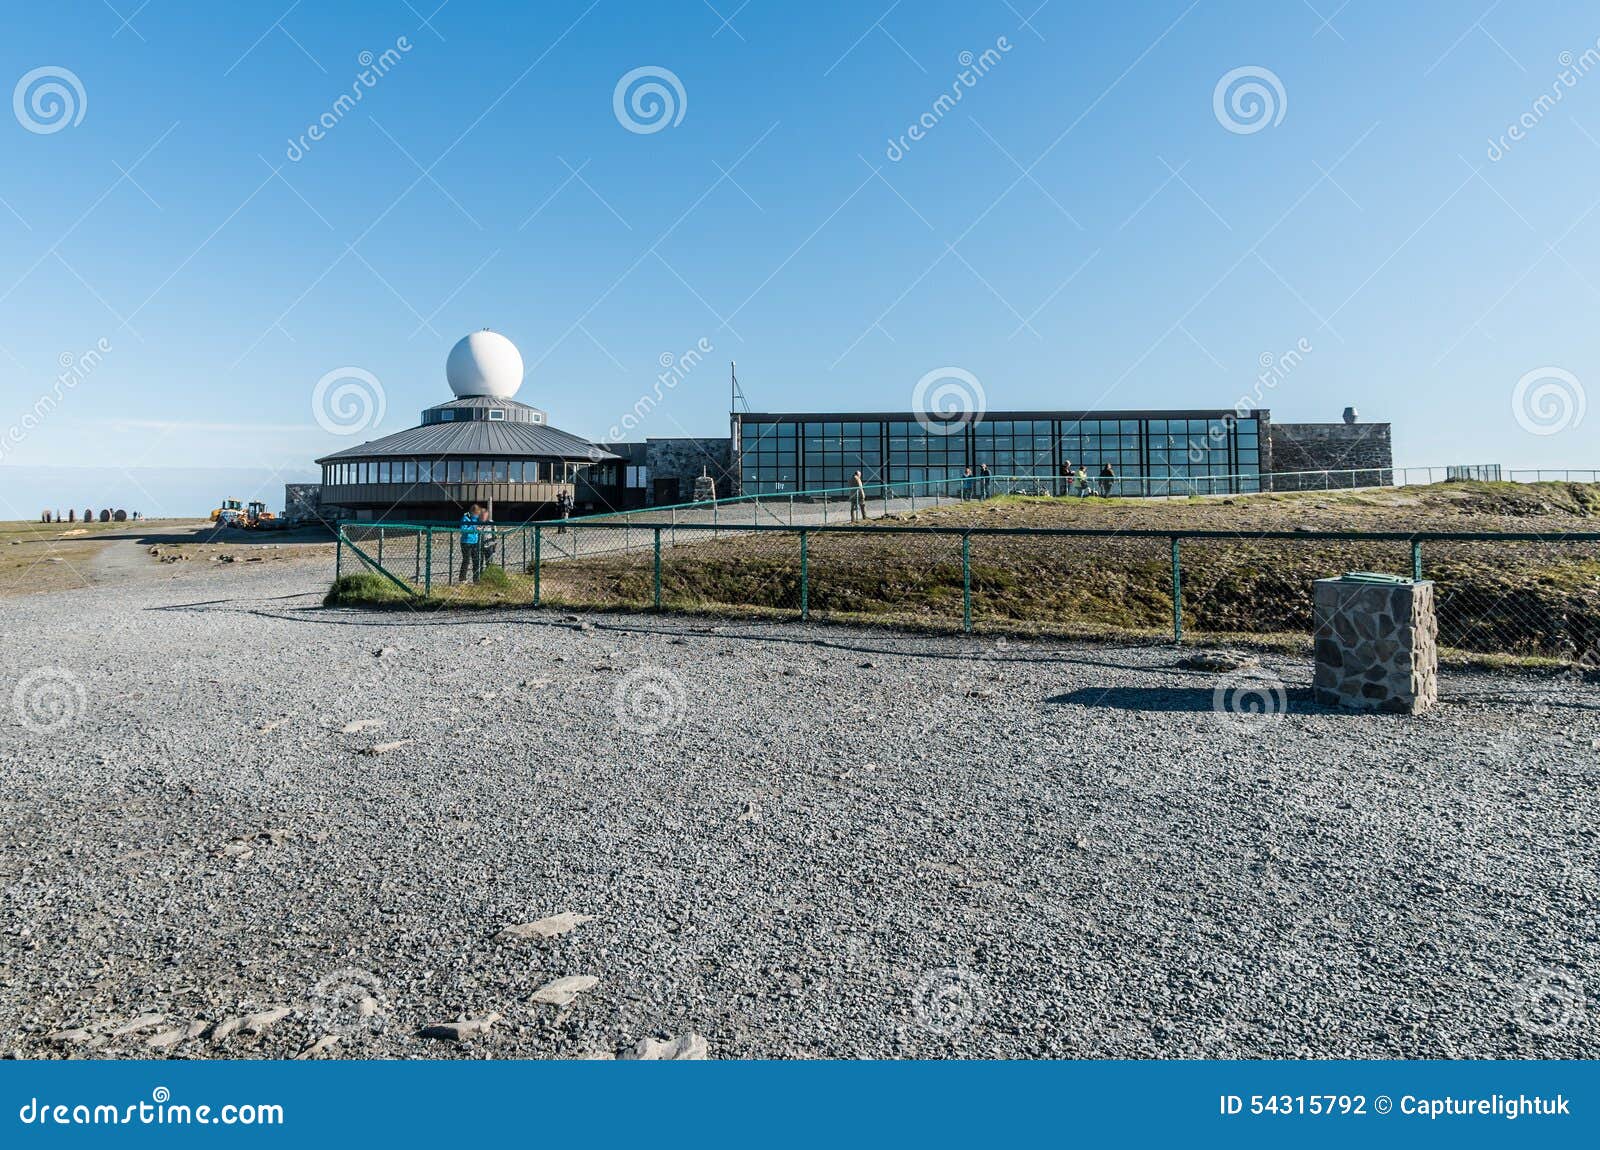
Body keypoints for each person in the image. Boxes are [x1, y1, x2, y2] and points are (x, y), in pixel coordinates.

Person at [458, 503, 482, 582]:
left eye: (477, 514)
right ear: (471, 512)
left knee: (476, 560)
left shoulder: (477, 519)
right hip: (466, 541)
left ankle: (476, 579)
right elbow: (463, 529)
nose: (476, 515)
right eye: (475, 514)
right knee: (466, 560)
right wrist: (473, 526)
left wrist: (479, 528)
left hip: (475, 541)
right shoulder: (466, 518)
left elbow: (479, 527)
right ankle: (462, 578)